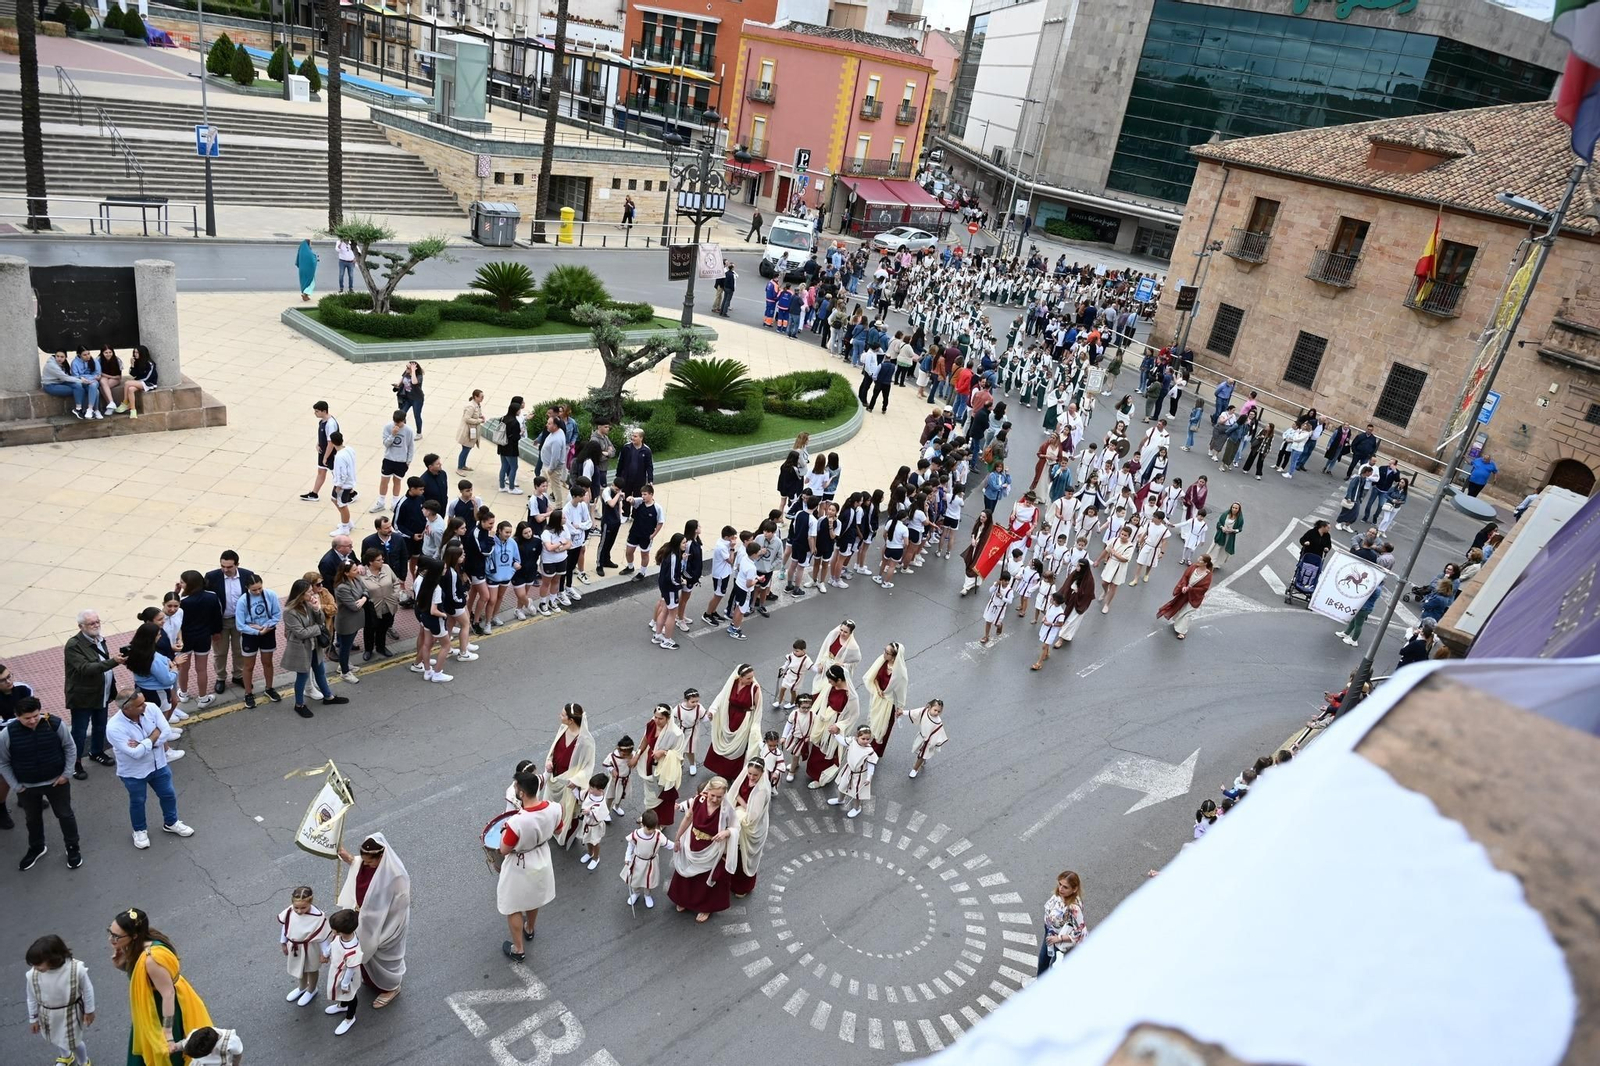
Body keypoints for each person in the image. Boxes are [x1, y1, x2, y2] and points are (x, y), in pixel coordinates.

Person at [110, 907, 213, 1065]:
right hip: (153, 1005)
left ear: (134, 935)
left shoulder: (152, 959)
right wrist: (121, 965)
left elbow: (168, 994)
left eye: (116, 936)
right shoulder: (140, 941)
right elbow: (143, 976)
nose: (111, 940)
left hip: (163, 1010)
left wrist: (168, 1034)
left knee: (167, 1056)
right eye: (110, 933)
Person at [0, 696, 81, 871]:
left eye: (35, 715)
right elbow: (3, 762)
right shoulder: (7, 734)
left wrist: (66, 774)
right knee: (32, 819)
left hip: (57, 782)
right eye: (27, 718)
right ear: (17, 716)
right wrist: (15, 786)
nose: (32, 720)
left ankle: (73, 847)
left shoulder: (55, 724)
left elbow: (70, 747)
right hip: (27, 786)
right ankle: (37, 847)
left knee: (65, 815)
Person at [106, 692, 193, 850]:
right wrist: (153, 736)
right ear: (127, 708)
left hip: (159, 764)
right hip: (133, 773)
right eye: (140, 705)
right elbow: (135, 753)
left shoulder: (151, 708)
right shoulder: (114, 727)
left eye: (143, 702)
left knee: (168, 794)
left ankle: (171, 822)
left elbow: (165, 731)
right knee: (138, 801)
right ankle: (139, 830)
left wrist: (144, 744)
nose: (145, 705)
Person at [333, 833, 410, 1009]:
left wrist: (381, 928)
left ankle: (391, 987)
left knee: (385, 957)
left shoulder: (396, 876)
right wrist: (348, 858)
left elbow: (399, 907)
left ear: (381, 857)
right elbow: (358, 864)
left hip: (386, 924)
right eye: (365, 861)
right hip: (364, 921)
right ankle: (371, 979)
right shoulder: (365, 864)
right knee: (365, 953)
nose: (366, 864)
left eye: (370, 862)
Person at [497, 769, 561, 961]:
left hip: (520, 865)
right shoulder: (555, 808)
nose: (515, 789)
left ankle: (518, 949)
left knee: (513, 906)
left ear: (522, 793)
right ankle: (530, 929)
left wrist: (503, 832)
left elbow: (503, 850)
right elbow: (558, 828)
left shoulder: (516, 822)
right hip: (542, 858)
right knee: (533, 899)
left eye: (517, 787)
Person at [63, 609, 122, 781]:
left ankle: (96, 751)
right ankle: (75, 763)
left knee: (100, 725)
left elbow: (102, 663)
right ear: (81, 626)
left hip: (101, 693)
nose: (96, 625)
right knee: (79, 731)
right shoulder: (73, 645)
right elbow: (85, 668)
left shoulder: (100, 639)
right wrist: (114, 662)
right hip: (83, 697)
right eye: (91, 623)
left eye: (97, 622)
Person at [668, 776, 733, 923]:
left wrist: (727, 832)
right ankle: (683, 899)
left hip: (711, 847)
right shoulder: (699, 800)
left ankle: (706, 907)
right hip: (691, 842)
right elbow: (687, 818)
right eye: (712, 795)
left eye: (719, 797)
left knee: (705, 878)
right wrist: (677, 838)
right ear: (707, 791)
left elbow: (735, 827)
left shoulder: (727, 809)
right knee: (685, 872)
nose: (715, 799)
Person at [282, 578, 348, 719]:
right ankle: (299, 705)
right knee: (303, 676)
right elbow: (301, 633)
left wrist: (317, 610)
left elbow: (321, 620)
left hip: (314, 645)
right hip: (301, 648)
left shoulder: (308, 604)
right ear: (300, 594)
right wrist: (317, 628)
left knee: (320, 671)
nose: (312, 595)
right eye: (309, 593)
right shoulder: (289, 612)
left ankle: (328, 697)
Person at [25, 934, 95, 1066]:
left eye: (38, 963)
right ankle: (66, 1056)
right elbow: (31, 997)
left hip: (71, 1012)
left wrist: (89, 1010)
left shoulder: (75, 969)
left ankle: (83, 1060)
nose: (35, 967)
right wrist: (33, 1018)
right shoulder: (33, 975)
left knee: (73, 1041)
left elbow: (87, 989)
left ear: (53, 958)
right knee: (56, 1037)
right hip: (48, 1014)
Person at [204, 551, 256, 699]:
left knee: (239, 650)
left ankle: (238, 675)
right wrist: (212, 628)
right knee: (220, 652)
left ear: (237, 565)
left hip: (240, 621)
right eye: (222, 566)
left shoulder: (247, 575)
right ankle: (221, 677)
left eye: (229, 566)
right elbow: (208, 602)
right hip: (220, 622)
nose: (225, 570)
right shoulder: (212, 577)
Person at [544, 703, 596, 848]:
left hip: (568, 783)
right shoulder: (563, 729)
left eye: (562, 715)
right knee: (552, 806)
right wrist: (549, 760)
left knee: (567, 811)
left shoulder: (586, 741)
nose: (559, 716)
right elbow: (553, 750)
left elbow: (588, 766)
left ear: (571, 720)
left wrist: (575, 780)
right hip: (555, 778)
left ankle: (565, 834)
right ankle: (552, 828)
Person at [702, 665, 764, 780]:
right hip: (728, 717)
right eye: (748, 678)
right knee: (723, 741)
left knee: (737, 746)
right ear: (740, 677)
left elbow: (758, 708)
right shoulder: (733, 683)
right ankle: (719, 769)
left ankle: (732, 774)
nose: (752, 680)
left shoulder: (755, 688)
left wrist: (754, 727)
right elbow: (722, 696)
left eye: (752, 677)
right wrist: (713, 711)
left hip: (743, 720)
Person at [805, 665, 860, 787]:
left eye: (831, 680)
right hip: (823, 721)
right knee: (816, 748)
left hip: (833, 727)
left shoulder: (851, 696)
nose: (829, 682)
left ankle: (821, 779)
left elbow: (854, 716)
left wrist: (839, 726)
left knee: (826, 753)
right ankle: (812, 772)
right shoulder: (831, 687)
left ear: (840, 680)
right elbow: (824, 702)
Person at [279, 884, 327, 1007]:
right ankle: (302, 987)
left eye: (303, 908)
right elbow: (286, 926)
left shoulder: (319, 917)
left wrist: (325, 953)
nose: (299, 911)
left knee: (311, 968)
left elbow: (323, 936)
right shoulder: (290, 911)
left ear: (311, 902)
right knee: (299, 967)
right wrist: (283, 942)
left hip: (310, 947)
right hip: (295, 945)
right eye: (296, 908)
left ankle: (312, 989)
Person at [321, 907, 364, 1036]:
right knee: (342, 993)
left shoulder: (353, 950)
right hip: (338, 970)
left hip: (346, 975)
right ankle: (343, 1005)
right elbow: (334, 944)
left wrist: (345, 984)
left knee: (350, 995)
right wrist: (327, 953)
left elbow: (350, 969)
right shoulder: (341, 937)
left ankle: (350, 1018)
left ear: (341, 932)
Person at [863, 641, 908, 757]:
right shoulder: (882, 661)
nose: (884, 654)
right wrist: (878, 690)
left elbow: (901, 693)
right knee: (873, 722)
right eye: (885, 650)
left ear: (894, 657)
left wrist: (900, 708)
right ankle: (866, 744)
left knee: (883, 729)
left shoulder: (900, 674)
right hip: (878, 699)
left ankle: (874, 753)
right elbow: (875, 678)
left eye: (887, 653)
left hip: (889, 704)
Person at [1037, 870, 1086, 975]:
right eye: (1060, 884)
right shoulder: (1059, 895)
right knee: (1043, 960)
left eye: (1065, 887)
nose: (1060, 889)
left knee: (1054, 966)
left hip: (1059, 939)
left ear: (1074, 889)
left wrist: (1058, 939)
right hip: (1050, 932)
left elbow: (1079, 933)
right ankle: (1040, 983)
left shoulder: (1074, 907)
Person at [1156, 554, 1214, 640]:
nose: (1198, 560)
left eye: (1200, 560)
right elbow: (1185, 577)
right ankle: (1178, 623)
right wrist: (1183, 586)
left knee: (1187, 613)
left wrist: (1190, 589)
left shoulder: (1208, 575)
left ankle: (1182, 631)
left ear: (1205, 563)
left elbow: (1204, 588)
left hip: (1195, 596)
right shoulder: (1193, 567)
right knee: (1180, 608)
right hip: (1185, 593)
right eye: (1199, 558)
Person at [621, 808, 664, 908]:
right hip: (637, 861)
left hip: (651, 863)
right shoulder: (636, 835)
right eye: (648, 829)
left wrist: (676, 846)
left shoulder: (658, 835)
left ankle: (647, 895)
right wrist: (627, 857)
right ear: (642, 825)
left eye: (653, 829)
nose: (650, 831)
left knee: (648, 881)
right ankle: (635, 893)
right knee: (634, 880)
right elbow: (630, 846)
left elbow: (667, 843)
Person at [300, 401, 341, 502]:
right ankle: (314, 494)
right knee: (321, 472)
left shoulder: (330, 424)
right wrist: (318, 443)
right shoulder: (322, 421)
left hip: (330, 454)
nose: (315, 413)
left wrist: (326, 457)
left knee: (337, 474)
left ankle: (352, 493)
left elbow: (331, 443)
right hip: (323, 452)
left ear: (324, 411)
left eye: (317, 411)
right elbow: (323, 436)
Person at [457, 390, 487, 474]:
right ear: (475, 397)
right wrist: (479, 421)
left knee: (468, 449)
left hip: (472, 431)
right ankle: (459, 467)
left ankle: (463, 465)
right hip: (467, 431)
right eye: (481, 397)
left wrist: (481, 416)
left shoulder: (477, 405)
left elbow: (477, 414)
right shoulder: (471, 406)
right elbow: (467, 419)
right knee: (465, 449)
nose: (482, 398)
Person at [1211, 502, 1245, 569]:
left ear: (1239, 509)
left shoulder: (1240, 519)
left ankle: (1216, 564)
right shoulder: (1225, 514)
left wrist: (1233, 530)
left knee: (1223, 551)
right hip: (1221, 535)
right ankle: (1211, 562)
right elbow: (1219, 523)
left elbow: (1240, 529)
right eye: (1233, 507)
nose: (1234, 509)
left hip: (1229, 537)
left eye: (1236, 508)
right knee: (1216, 548)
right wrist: (1222, 527)